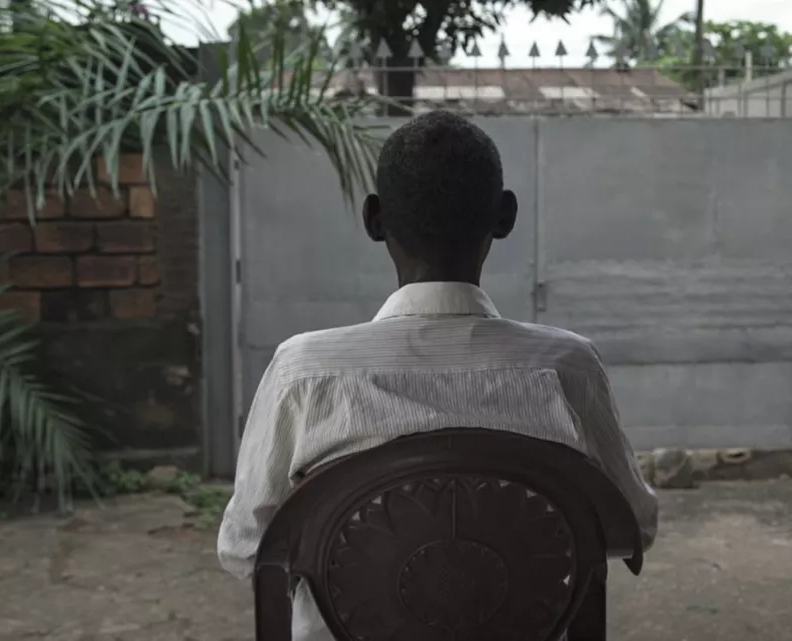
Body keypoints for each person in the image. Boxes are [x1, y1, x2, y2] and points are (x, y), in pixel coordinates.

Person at [217, 110, 658, 641]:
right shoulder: (567, 366)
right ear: (505, 216)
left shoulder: (305, 370)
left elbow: (246, 547)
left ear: (374, 219)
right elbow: (631, 526)